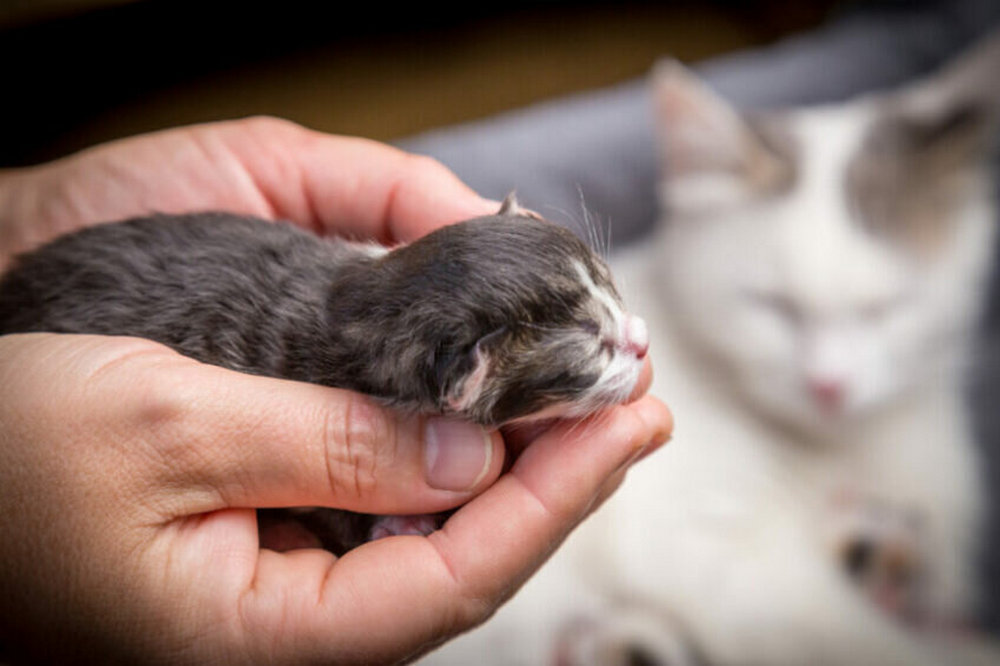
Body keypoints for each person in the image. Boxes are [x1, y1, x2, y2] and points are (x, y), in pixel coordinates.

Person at [0, 117, 673, 664]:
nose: (637, 338)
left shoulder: (380, 296)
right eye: (596, 345)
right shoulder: (353, 366)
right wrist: (380, 523)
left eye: (607, 299)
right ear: (467, 382)